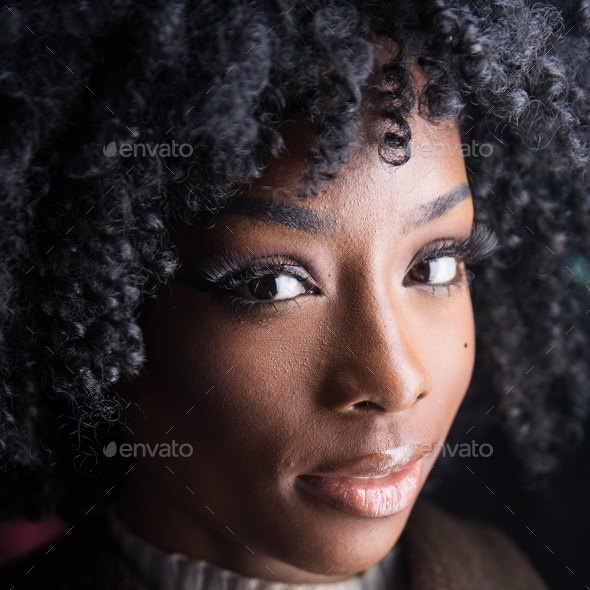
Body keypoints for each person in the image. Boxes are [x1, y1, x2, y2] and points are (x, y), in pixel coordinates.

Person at [1, 1, 589, 588]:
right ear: (88, 316)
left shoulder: (505, 573)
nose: (397, 381)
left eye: (434, 267)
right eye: (271, 285)